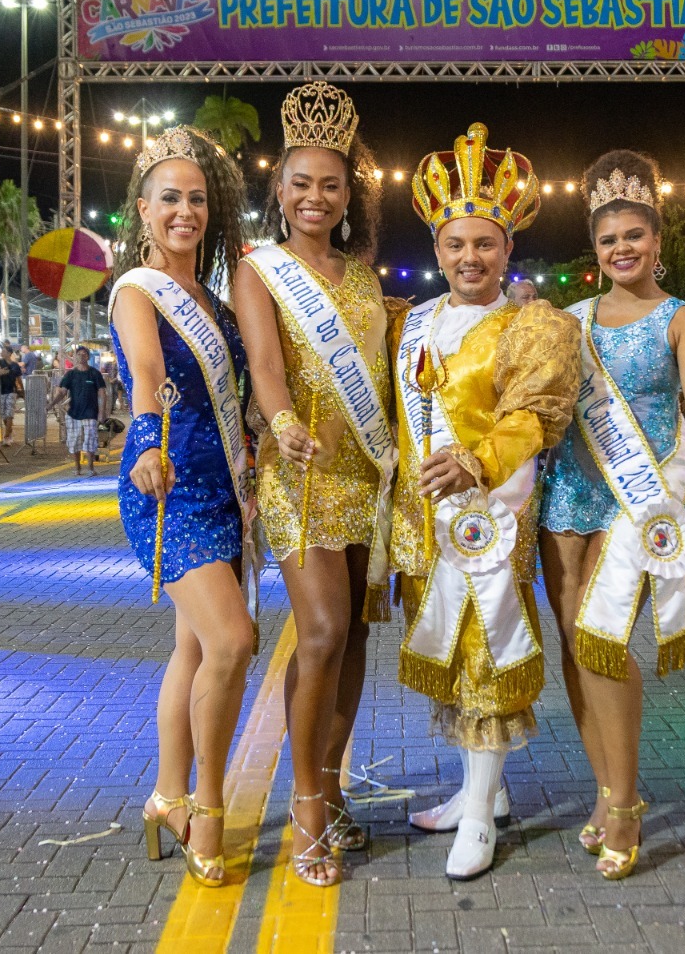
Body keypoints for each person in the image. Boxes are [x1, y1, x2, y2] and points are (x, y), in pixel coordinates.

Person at [540, 149, 685, 882]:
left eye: (634, 235)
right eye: (608, 239)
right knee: (574, 647)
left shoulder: (681, 319)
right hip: (567, 492)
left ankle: (626, 802)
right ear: (595, 250)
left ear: (657, 240)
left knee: (602, 641)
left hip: (635, 499)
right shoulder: (570, 320)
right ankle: (607, 789)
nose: (621, 248)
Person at [392, 122, 577, 881]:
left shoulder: (535, 325)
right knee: (451, 653)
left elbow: (536, 413)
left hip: (490, 520)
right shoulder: (413, 323)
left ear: (508, 250)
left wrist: (477, 462)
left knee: (485, 656)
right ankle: (482, 792)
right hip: (418, 522)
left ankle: (479, 816)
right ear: (437, 248)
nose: (470, 258)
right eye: (456, 244)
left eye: (485, 244)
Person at [232, 80, 390, 888]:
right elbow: (264, 366)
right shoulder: (260, 270)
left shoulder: (364, 279)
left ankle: (329, 787)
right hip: (299, 473)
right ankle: (304, 806)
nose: (315, 197)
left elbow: (391, 373)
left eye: (330, 184)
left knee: (356, 635)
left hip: (363, 474)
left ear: (347, 192)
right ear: (280, 189)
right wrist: (282, 422)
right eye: (301, 183)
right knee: (323, 630)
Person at [109, 126, 254, 887]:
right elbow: (146, 370)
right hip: (165, 487)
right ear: (143, 209)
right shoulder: (140, 290)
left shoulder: (218, 305)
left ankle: (164, 794)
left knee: (194, 650)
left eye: (197, 200)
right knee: (233, 641)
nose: (184, 212)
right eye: (170, 199)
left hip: (222, 486)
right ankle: (207, 803)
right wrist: (145, 447)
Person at [55, 346, 106, 476]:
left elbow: (102, 393)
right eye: (79, 354)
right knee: (74, 441)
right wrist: (51, 403)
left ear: (88, 357)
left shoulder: (94, 373)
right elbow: (62, 392)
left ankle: (90, 468)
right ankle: (77, 468)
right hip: (74, 413)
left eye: (84, 354)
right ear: (75, 357)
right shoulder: (71, 374)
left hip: (91, 413)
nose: (81, 357)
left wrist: (101, 412)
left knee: (90, 441)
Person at [0, 344, 24, 443]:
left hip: (12, 390)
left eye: (4, 351)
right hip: (1, 390)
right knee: (3, 414)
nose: (2, 353)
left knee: (9, 413)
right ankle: (9, 430)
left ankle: (6, 436)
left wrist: (22, 390)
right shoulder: (0, 362)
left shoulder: (15, 365)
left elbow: (19, 378)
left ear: (9, 353)